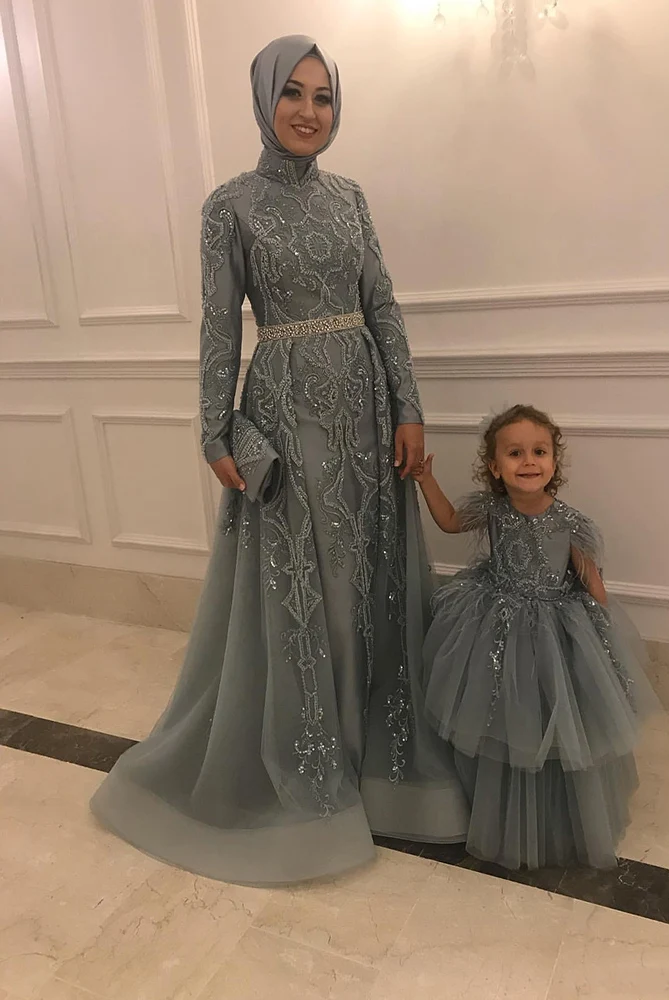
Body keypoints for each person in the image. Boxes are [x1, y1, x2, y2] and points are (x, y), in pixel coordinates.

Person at [91, 35, 468, 886]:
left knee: (374, 578)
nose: (308, 110)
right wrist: (214, 431)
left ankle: (378, 759)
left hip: (369, 410)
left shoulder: (351, 198)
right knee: (318, 588)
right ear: (264, 101)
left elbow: (383, 306)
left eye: (323, 96)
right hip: (289, 410)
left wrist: (411, 407)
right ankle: (316, 763)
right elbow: (219, 325)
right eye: (292, 93)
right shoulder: (229, 206)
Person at [412, 404, 659, 869]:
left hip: (553, 626)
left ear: (554, 461)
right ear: (494, 466)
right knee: (500, 709)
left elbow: (591, 579)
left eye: (539, 452)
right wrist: (426, 479)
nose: (528, 462)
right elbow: (449, 521)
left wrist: (599, 633)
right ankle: (492, 800)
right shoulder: (492, 509)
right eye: (515, 453)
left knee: (550, 710)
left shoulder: (570, 522)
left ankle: (557, 808)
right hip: (494, 619)